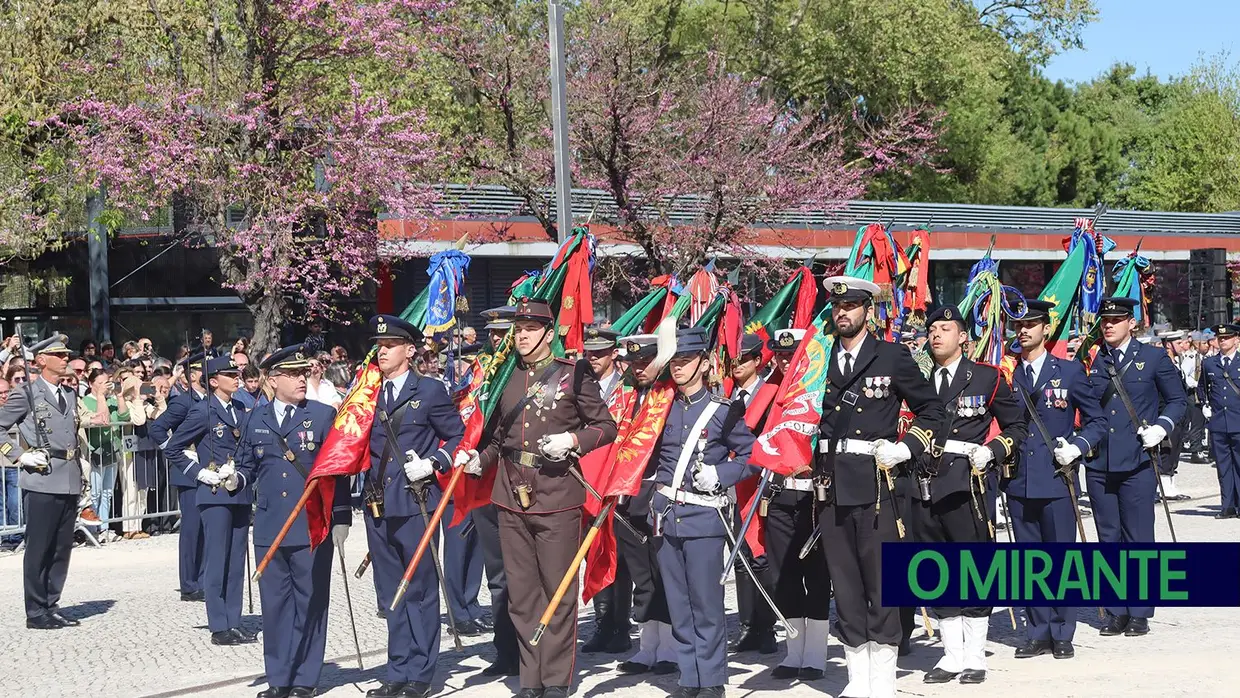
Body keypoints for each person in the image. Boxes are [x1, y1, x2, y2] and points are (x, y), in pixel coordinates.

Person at [461, 298, 617, 698]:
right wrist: (480, 460)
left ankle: (555, 681)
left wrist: (573, 441)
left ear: (549, 334)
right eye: (519, 330)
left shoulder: (573, 373)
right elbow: (498, 437)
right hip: (510, 493)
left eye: (530, 329)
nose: (522, 336)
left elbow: (606, 426)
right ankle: (530, 681)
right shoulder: (506, 377)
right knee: (522, 594)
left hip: (557, 495)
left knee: (558, 593)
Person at [812, 276, 945, 698]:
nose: (842, 313)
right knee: (845, 585)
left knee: (881, 585)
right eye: (837, 306)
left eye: (851, 306)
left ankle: (883, 682)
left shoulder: (891, 356)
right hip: (830, 485)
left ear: (868, 312)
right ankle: (858, 681)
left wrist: (906, 448)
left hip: (877, 486)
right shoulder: (817, 359)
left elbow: (933, 409)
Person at [916, 306, 1028, 684]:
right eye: (932, 328)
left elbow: (1017, 425)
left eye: (945, 328)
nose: (936, 335)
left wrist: (994, 450)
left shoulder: (986, 377)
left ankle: (975, 656)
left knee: (974, 570)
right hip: (925, 483)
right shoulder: (918, 380)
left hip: (967, 484)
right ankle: (951, 655)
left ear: (963, 337)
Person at [237, 345, 352, 698]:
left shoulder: (320, 415)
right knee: (273, 605)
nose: (302, 378)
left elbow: (339, 469)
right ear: (273, 380)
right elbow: (246, 466)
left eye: (304, 372)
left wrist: (341, 517)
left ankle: (304, 676)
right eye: (293, 374)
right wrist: (233, 480)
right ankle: (279, 678)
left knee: (310, 601)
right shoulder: (256, 418)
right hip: (271, 525)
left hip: (311, 525)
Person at [362, 315, 465, 698]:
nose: (382, 350)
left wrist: (434, 462)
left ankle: (421, 673)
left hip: (415, 501)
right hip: (377, 504)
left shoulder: (430, 390)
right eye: (378, 345)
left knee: (419, 589)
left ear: (410, 350)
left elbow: (457, 437)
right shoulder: (367, 394)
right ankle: (397, 669)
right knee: (391, 591)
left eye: (390, 345)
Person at [649, 327, 755, 698]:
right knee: (678, 604)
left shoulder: (722, 411)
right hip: (665, 515)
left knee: (706, 605)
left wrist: (720, 474)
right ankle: (688, 677)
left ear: (704, 363)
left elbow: (750, 457)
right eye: (674, 361)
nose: (677, 367)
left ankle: (711, 681)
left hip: (703, 518)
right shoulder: (659, 407)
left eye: (685, 360)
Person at [1005, 299, 1107, 659]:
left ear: (1046, 330)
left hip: (1056, 476)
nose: (1024, 330)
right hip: (1018, 480)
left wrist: (1077, 447)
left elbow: (1097, 422)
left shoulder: (1069, 372)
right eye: (1018, 325)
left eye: (1031, 324)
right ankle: (1038, 630)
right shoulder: (1008, 376)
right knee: (1028, 560)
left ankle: (1063, 632)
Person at [1084, 297, 1186, 638]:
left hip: (1138, 461)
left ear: (1132, 323)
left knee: (1138, 538)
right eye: (1105, 320)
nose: (1109, 324)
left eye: (1116, 319)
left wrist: (1162, 426)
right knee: (1108, 538)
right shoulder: (1096, 359)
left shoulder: (1153, 357)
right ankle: (1116, 610)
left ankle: (1140, 610)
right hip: (1100, 461)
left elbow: (1177, 400)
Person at [757, 328, 833, 680]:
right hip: (778, 493)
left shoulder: (823, 391)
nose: (786, 361)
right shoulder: (771, 394)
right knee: (783, 574)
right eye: (781, 356)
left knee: (817, 576)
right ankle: (793, 651)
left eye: (793, 355)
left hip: (814, 494)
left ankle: (815, 654)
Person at [166, 356, 256, 646]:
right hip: (214, 493)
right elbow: (174, 447)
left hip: (237, 491)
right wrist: (199, 473)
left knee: (235, 562)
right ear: (214, 381)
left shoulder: (241, 409)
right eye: (230, 374)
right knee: (217, 560)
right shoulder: (203, 411)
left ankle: (234, 620)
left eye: (237, 373)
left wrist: (241, 475)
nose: (236, 378)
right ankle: (219, 626)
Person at [0, 336, 85, 629]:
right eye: (59, 355)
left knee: (62, 548)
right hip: (42, 477)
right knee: (39, 547)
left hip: (69, 476)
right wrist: (19, 456)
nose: (66, 359)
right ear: (41, 361)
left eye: (66, 354)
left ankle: (51, 603)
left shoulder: (69, 394)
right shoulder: (27, 394)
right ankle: (35, 611)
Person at [612, 333, 679, 677]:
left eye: (646, 362)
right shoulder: (625, 397)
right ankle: (647, 645)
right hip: (625, 497)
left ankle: (670, 646)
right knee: (641, 574)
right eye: (634, 363)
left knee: (663, 571)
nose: (639, 369)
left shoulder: (670, 397)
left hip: (657, 494)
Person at [580, 325, 633, 654]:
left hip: (618, 481)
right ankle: (602, 624)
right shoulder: (579, 383)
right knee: (593, 551)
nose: (593, 358)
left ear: (614, 353)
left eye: (600, 353)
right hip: (586, 482)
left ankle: (620, 625)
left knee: (620, 555)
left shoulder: (628, 388)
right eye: (589, 353)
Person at [726, 334, 778, 657]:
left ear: (758, 361)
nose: (737, 365)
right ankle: (747, 626)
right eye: (734, 359)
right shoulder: (728, 395)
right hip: (734, 486)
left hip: (763, 486)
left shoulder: (770, 393)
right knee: (741, 559)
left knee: (763, 559)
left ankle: (766, 627)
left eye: (743, 359)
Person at [150, 352, 209, 602]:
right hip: (188, 472)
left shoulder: (211, 401)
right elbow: (157, 429)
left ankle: (206, 579)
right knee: (192, 529)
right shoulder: (184, 402)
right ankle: (189, 583)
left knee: (208, 529)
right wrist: (180, 453)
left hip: (210, 471)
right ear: (193, 375)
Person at [79, 368, 130, 542]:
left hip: (112, 449)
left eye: (106, 382)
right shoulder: (86, 401)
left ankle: (105, 527)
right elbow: (103, 418)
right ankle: (92, 530)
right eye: (100, 383)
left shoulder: (111, 400)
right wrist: (100, 396)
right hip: (95, 451)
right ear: (91, 384)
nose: (104, 386)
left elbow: (124, 415)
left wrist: (120, 395)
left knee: (107, 492)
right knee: (95, 492)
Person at [1200, 323, 1240, 519]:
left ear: (1236, 340)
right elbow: (1203, 389)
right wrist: (1205, 406)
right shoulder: (1209, 364)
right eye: (1220, 338)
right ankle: (1228, 506)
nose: (1223, 341)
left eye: (1227, 337)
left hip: (1238, 421)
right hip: (1218, 422)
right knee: (1223, 467)